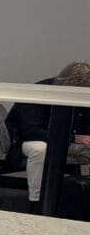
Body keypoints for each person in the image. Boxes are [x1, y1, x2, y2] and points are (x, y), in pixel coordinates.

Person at [6, 61, 90, 212]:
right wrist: (75, 138)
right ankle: (37, 203)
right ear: (71, 84)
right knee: (41, 149)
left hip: (62, 139)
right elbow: (31, 131)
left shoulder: (77, 94)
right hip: (26, 140)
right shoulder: (37, 93)